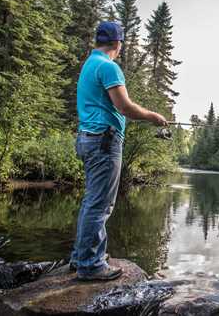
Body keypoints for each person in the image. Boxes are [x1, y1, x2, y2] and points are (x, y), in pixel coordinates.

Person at [70, 21, 168, 281]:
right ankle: (90, 265)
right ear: (117, 43)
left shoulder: (90, 64)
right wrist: (153, 117)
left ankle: (81, 257)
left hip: (88, 139)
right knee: (100, 204)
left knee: (91, 201)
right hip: (104, 141)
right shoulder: (108, 66)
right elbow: (124, 107)